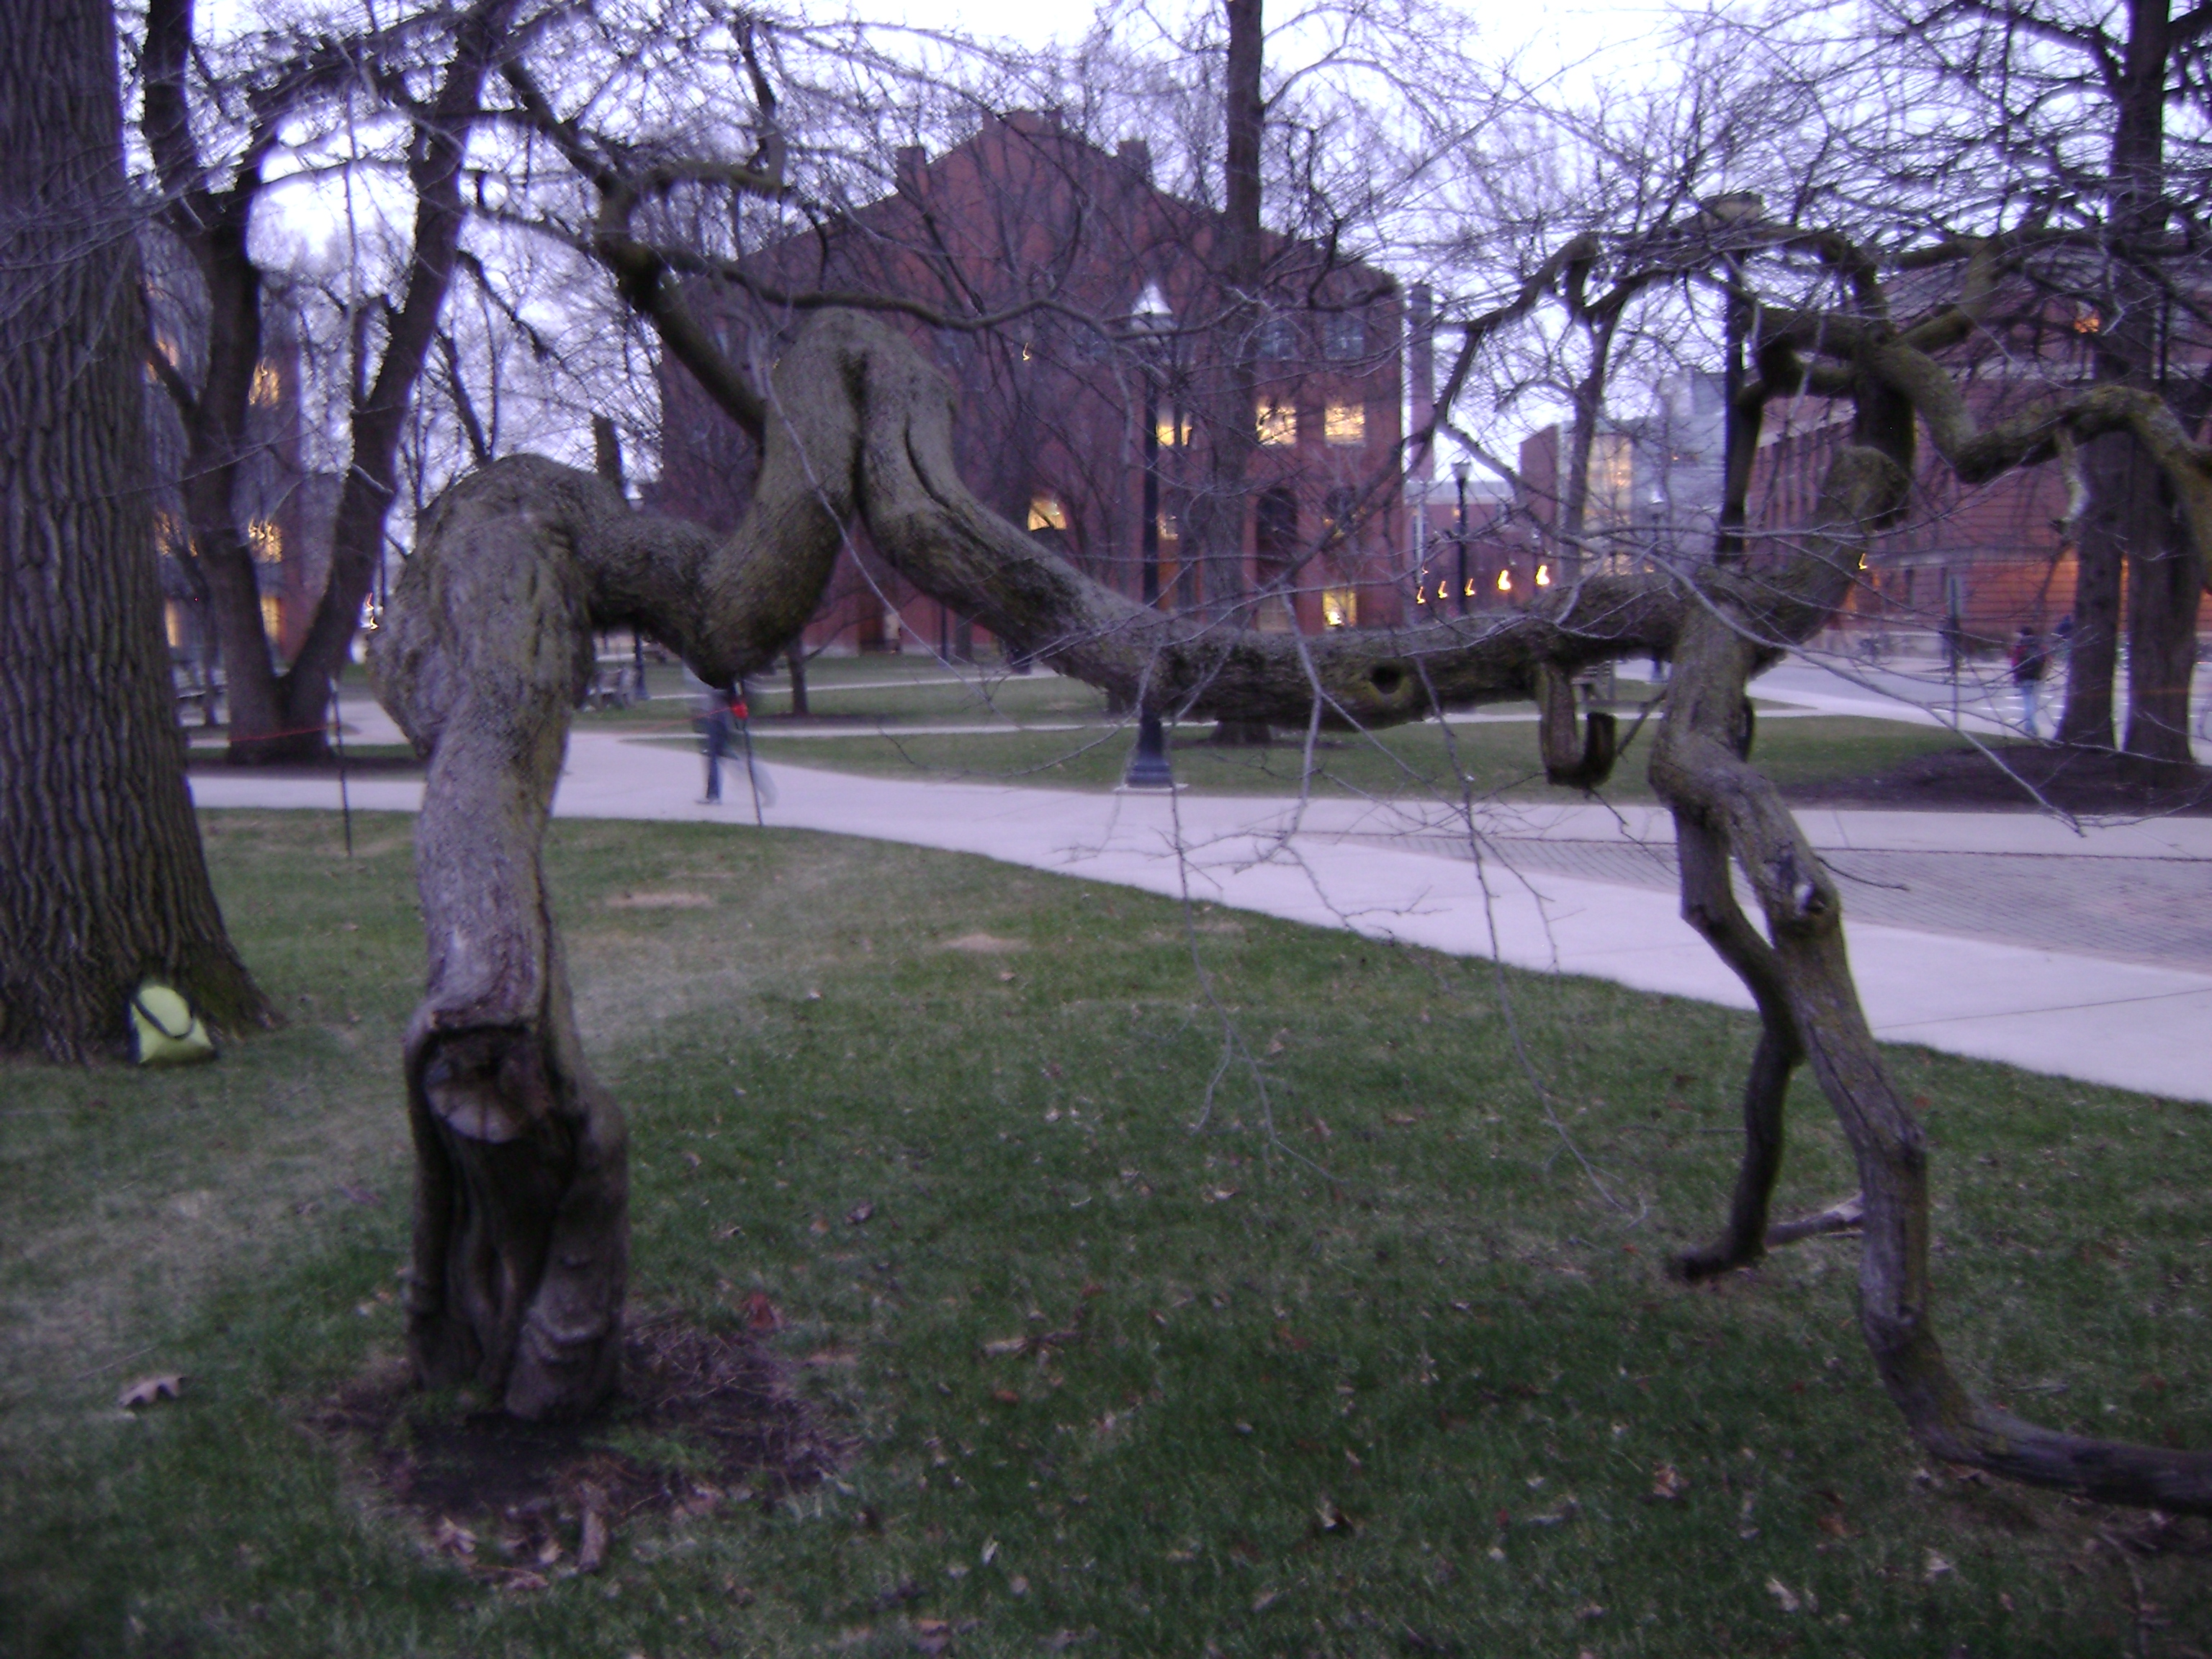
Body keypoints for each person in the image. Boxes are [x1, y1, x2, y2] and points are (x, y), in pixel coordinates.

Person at [697, 682, 738, 803]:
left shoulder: (723, 679)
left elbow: (731, 698)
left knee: (715, 757)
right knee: (719, 756)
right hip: (714, 720)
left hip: (720, 721)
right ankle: (712, 794)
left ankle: (713, 795)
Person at [2009, 622, 2049, 739]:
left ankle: (2030, 726)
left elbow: (2015, 662)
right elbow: (2048, 659)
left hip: (2024, 676)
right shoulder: (2040, 644)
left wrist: (2016, 677)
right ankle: (2030, 725)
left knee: (2027, 701)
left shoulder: (2020, 646)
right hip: (2038, 676)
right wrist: (2044, 674)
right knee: (2033, 701)